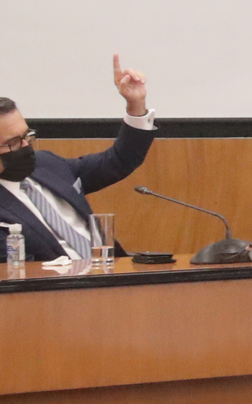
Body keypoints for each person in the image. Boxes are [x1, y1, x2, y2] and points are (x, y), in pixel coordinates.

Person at [0, 57, 154, 262]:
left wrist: (136, 105)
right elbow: (13, 270)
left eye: (27, 135)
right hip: (61, 281)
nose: (26, 145)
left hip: (111, 270)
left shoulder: (47, 165)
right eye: (14, 142)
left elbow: (119, 160)